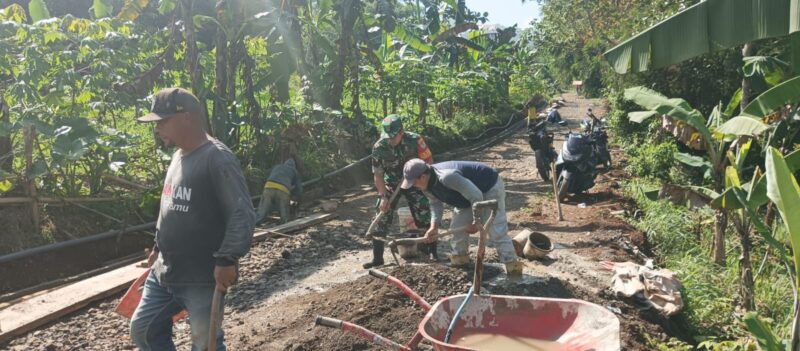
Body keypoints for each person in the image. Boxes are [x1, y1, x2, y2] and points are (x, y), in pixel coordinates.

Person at [130, 88, 256, 351]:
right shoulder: (178, 156)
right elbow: (169, 207)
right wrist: (157, 247)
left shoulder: (217, 158)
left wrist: (227, 259)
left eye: (163, 122)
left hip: (202, 276)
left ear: (186, 117)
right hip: (166, 270)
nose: (158, 128)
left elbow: (241, 213)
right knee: (144, 328)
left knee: (205, 343)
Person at [400, 158, 523, 276]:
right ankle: (461, 265)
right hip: (466, 197)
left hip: (488, 187)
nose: (413, 186)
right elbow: (435, 204)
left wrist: (477, 221)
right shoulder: (425, 186)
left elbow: (477, 196)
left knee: (495, 230)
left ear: (423, 176)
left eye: (414, 182)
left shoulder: (447, 177)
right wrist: (434, 227)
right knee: (458, 230)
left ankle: (513, 270)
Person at [365, 115, 435, 268]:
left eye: (393, 136)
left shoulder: (416, 140)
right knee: (381, 212)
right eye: (387, 136)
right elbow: (378, 175)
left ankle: (430, 251)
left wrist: (421, 179)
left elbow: (429, 162)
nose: (390, 140)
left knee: (424, 211)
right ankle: (377, 258)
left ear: (401, 132)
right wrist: (383, 196)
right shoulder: (379, 147)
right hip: (392, 183)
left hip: (414, 181)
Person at [257, 158, 302, 224]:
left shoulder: (277, 166)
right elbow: (299, 188)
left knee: (262, 210)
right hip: (283, 190)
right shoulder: (294, 171)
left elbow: (267, 176)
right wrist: (297, 198)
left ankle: (256, 224)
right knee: (284, 213)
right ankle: (284, 224)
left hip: (269, 187)